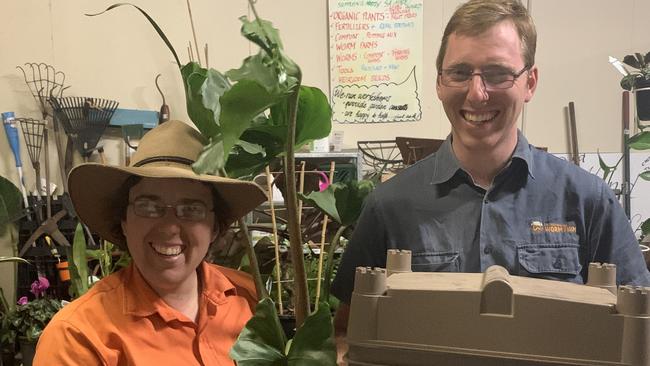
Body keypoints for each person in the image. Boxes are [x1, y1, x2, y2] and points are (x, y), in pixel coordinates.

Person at [330, 0, 650, 338]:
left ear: (530, 82)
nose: (477, 93)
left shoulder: (588, 201)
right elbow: (349, 334)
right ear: (440, 81)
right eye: (460, 73)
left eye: (498, 74)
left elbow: (636, 331)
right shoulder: (390, 205)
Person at [33, 120, 267, 365]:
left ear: (214, 227)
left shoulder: (252, 299)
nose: (168, 227)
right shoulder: (78, 337)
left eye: (191, 209)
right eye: (149, 207)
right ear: (123, 220)